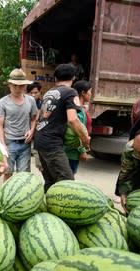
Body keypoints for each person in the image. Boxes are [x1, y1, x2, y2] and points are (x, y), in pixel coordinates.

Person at [34, 63, 90, 192]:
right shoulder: (70, 92)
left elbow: (39, 116)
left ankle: (47, 207)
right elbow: (73, 119)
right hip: (52, 143)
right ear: (73, 78)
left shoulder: (50, 92)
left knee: (51, 181)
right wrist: (85, 139)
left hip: (40, 141)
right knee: (67, 182)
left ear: (55, 79)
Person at [0, 69, 38, 182]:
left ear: (24, 86)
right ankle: (5, 197)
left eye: (20, 86)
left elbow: (34, 118)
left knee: (23, 177)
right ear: (9, 85)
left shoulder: (30, 100)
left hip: (25, 143)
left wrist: (32, 130)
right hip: (9, 143)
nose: (17, 88)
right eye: (14, 86)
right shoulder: (3, 102)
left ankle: (22, 198)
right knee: (8, 174)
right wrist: (2, 144)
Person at [63, 80, 93, 174]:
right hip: (72, 151)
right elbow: (77, 132)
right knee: (68, 178)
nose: (91, 94)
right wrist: (83, 151)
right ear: (83, 93)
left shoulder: (76, 108)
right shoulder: (78, 111)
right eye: (90, 91)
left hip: (70, 150)